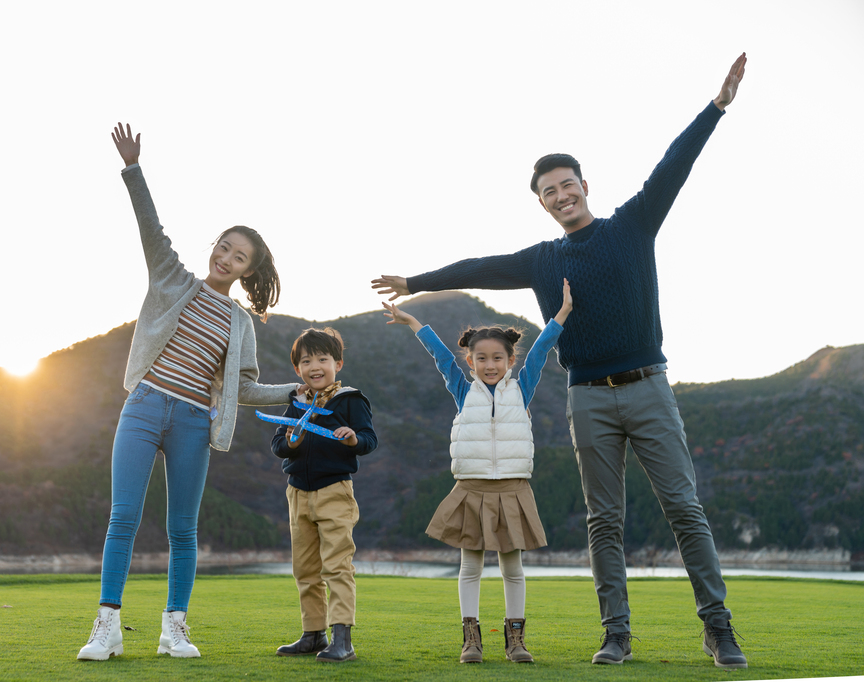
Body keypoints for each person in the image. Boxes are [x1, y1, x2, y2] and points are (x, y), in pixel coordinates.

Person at [371, 54, 749, 669]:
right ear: (543, 204)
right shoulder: (542, 260)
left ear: (584, 186)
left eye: (567, 185)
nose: (560, 195)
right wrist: (416, 280)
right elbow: (477, 267)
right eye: (549, 192)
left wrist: (716, 107)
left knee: (684, 508)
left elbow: (672, 168)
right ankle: (616, 635)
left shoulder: (631, 226)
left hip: (648, 385)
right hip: (588, 396)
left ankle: (718, 627)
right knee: (605, 519)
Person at [77, 123, 300, 661]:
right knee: (123, 517)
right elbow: (150, 228)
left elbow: (243, 388)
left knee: (183, 529)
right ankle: (105, 627)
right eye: (224, 248)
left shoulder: (240, 324)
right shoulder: (172, 278)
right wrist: (133, 169)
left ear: (249, 271)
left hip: (196, 422)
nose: (225, 259)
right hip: (146, 404)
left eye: (238, 257)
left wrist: (297, 390)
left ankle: (174, 627)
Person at [382, 279, 572, 664]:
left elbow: (541, 349)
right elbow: (440, 357)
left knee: (512, 566)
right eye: (481, 358)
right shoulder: (462, 389)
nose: (490, 364)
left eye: (497, 358)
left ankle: (515, 639)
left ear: (509, 361)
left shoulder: (523, 387)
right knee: (470, 564)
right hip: (471, 487)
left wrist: (564, 311)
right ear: (470, 362)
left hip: (513, 488)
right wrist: (415, 322)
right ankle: (471, 639)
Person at [270, 327, 378, 663]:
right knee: (304, 568)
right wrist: (293, 441)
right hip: (297, 494)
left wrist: (351, 439)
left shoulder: (351, 399)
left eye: (322, 358)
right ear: (297, 370)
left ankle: (342, 638)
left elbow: (368, 440)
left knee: (336, 565)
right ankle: (313, 634)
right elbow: (278, 446)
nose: (315, 365)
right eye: (306, 360)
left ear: (338, 363)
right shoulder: (296, 403)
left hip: (334, 491)